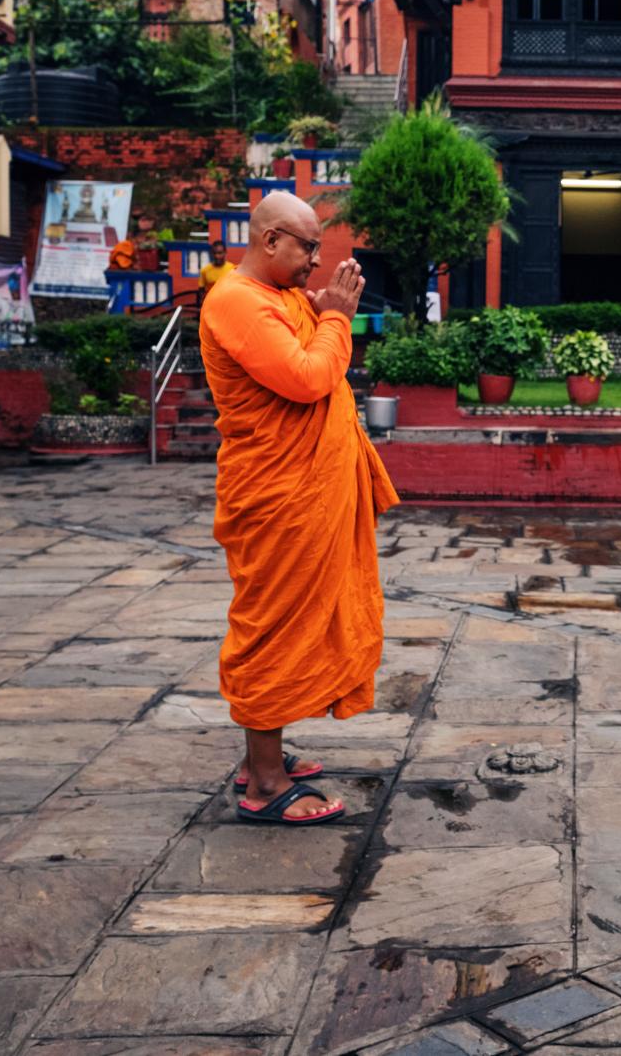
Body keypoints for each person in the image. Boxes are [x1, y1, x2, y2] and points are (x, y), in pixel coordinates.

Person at [199, 192, 399, 825]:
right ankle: (262, 782)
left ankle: (268, 756)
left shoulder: (280, 299)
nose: (317, 260)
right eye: (308, 247)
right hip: (279, 497)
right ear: (269, 241)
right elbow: (309, 378)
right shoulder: (236, 301)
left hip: (306, 494)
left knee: (298, 620)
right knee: (274, 626)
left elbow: (311, 353)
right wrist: (337, 319)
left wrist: (322, 314)